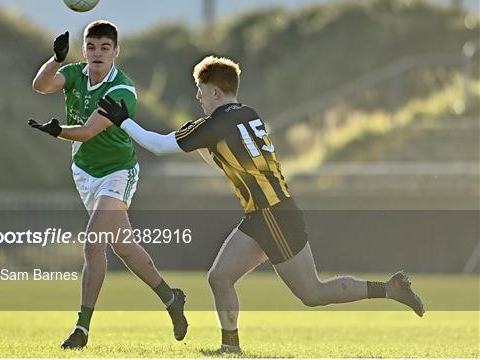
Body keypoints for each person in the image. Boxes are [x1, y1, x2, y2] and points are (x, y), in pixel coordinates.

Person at [96, 55, 425, 354]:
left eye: (200, 89)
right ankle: (230, 347)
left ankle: (390, 288)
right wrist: (201, 146)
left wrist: (124, 121)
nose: (198, 96)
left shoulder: (215, 124)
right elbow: (226, 161)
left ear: (215, 92)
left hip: (273, 216)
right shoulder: (247, 114)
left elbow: (158, 145)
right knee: (219, 277)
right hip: (266, 214)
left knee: (312, 293)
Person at [28, 20, 188, 349]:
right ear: (83, 49)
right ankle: (171, 299)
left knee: (92, 243)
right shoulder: (74, 73)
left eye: (105, 48)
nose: (97, 53)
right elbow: (41, 86)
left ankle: (81, 329)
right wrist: (55, 60)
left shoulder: (122, 89)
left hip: (118, 172)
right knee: (125, 247)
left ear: (116, 51)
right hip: (85, 172)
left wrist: (58, 131)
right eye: (91, 47)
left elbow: (87, 131)